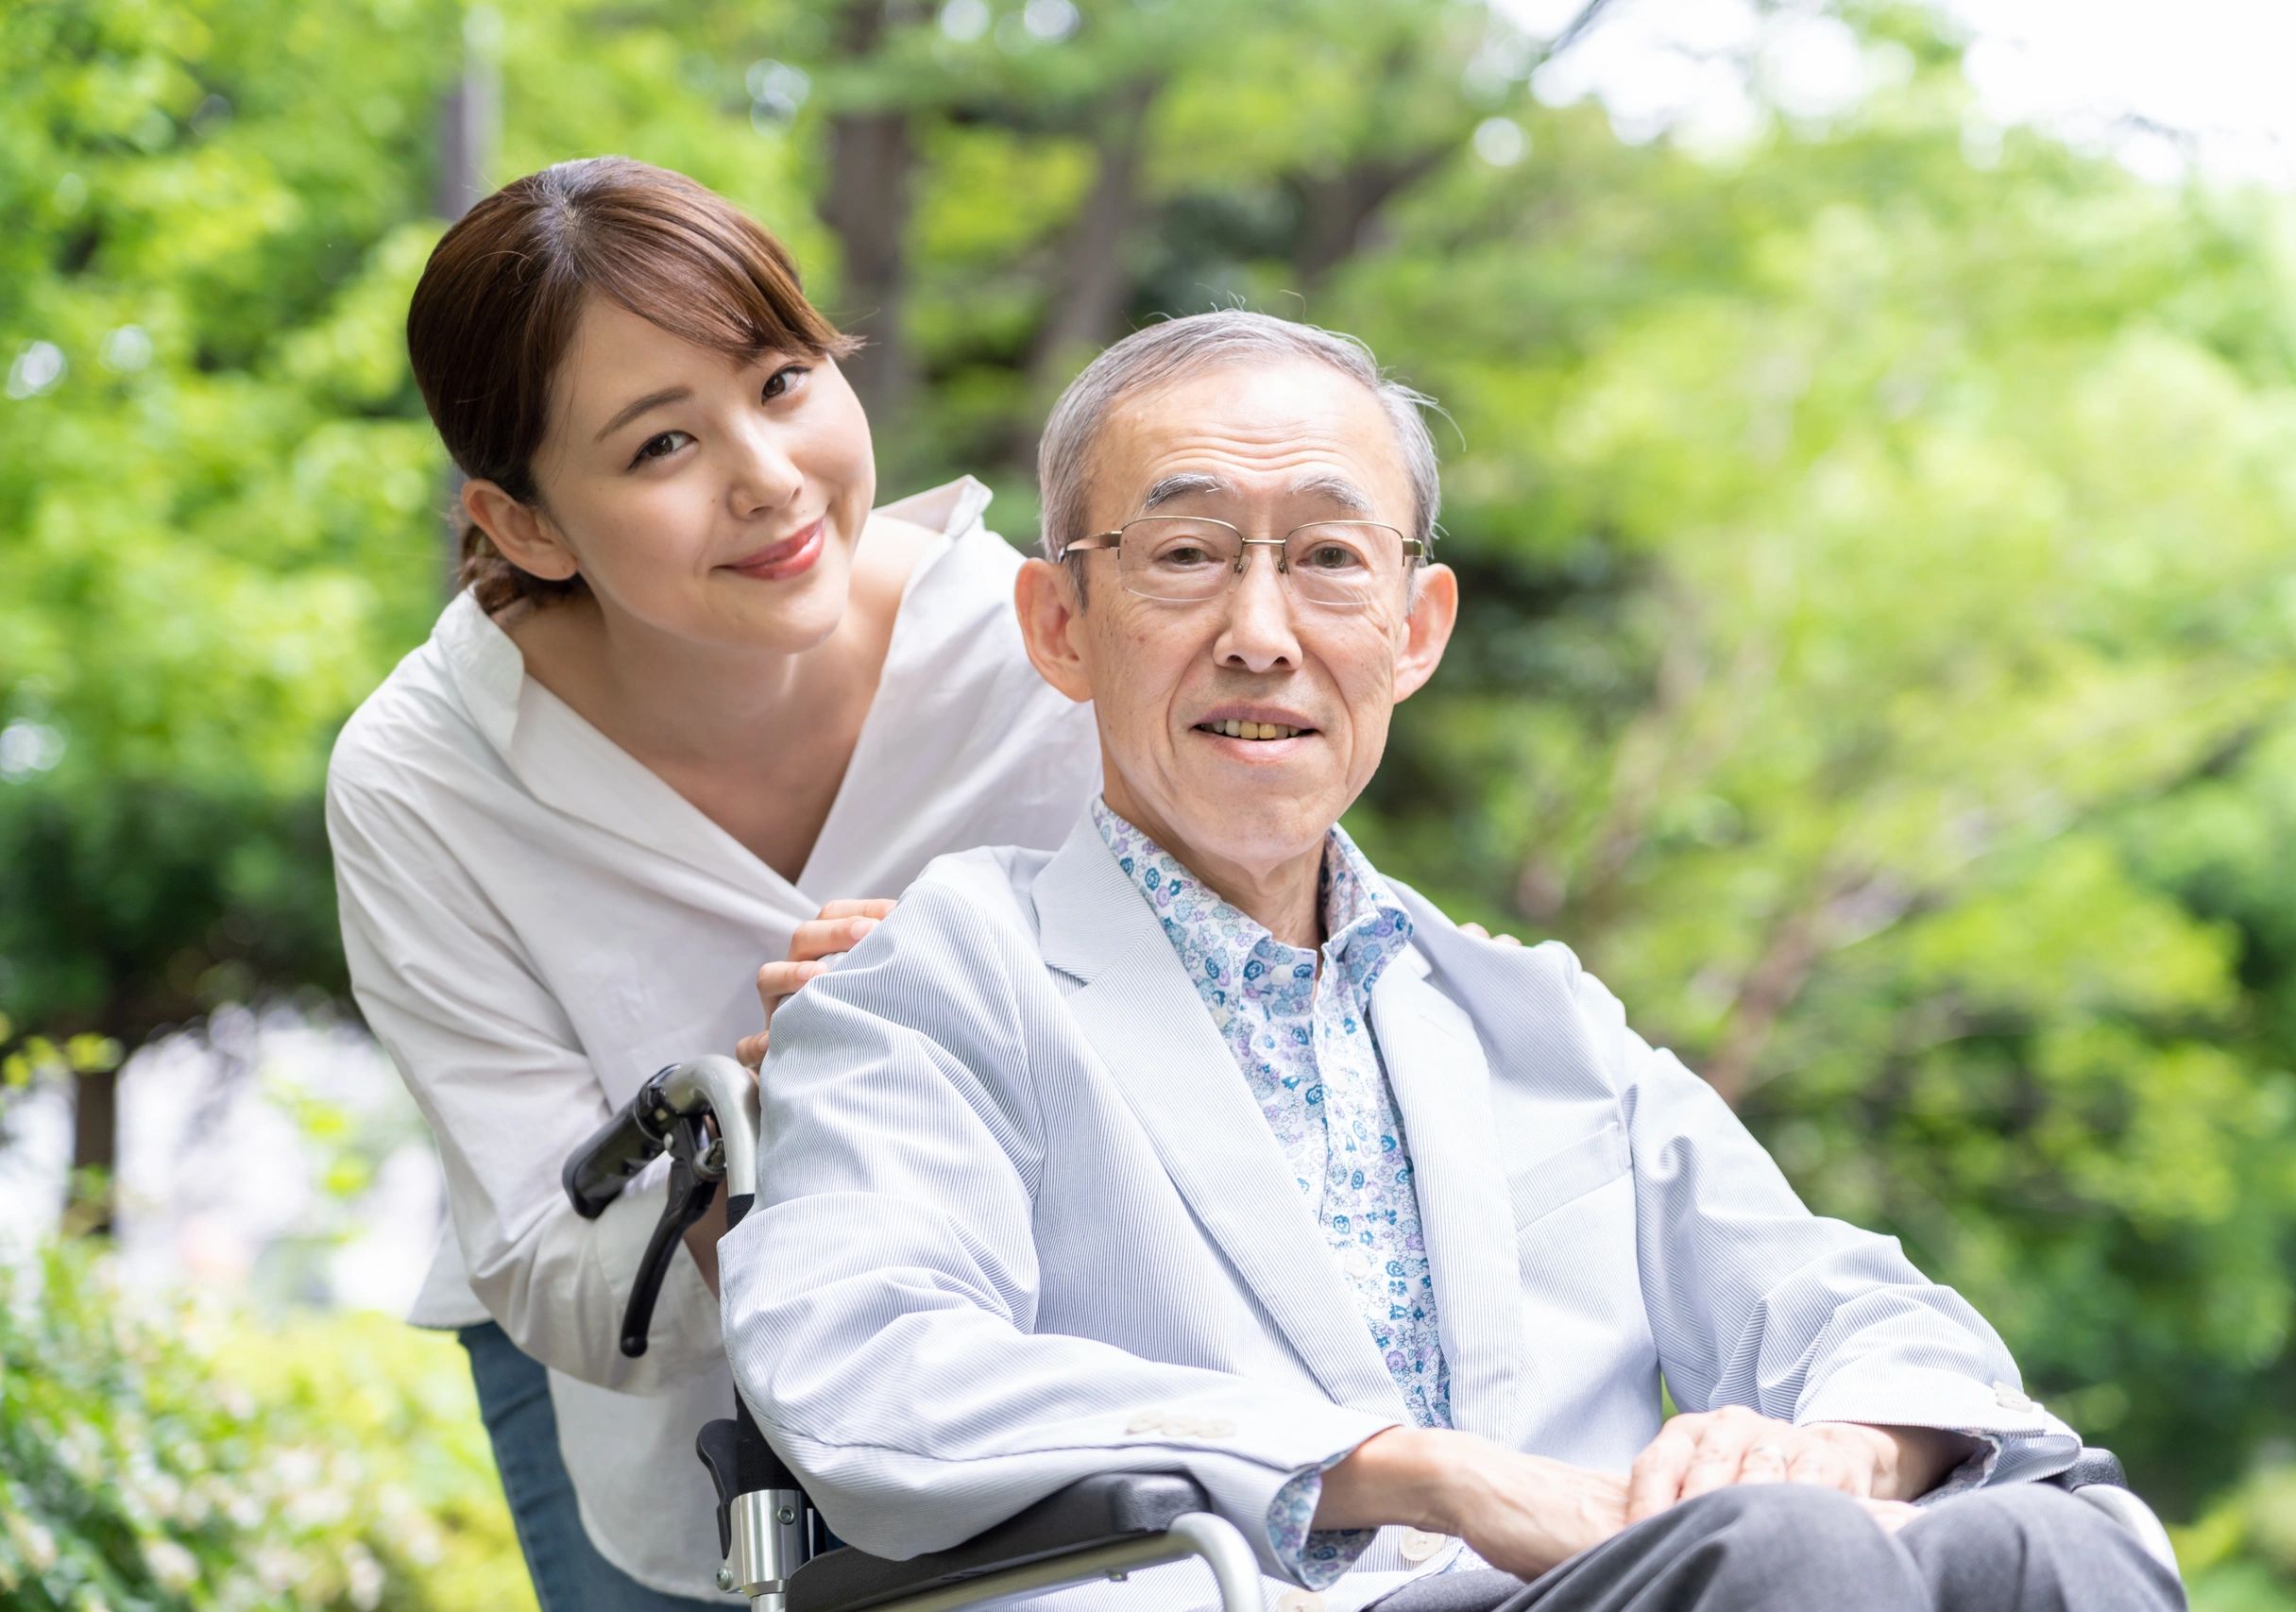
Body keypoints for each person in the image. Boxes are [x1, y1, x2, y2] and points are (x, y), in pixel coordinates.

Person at [719, 312, 2185, 1612]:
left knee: (2069, 1549)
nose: (1262, 633)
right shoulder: (933, 980)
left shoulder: (1528, 1009)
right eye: (1185, 555)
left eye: (1331, 562)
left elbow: (1865, 1309)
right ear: (1060, 625)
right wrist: (1413, 1473)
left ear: (1413, 633)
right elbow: (863, 1365)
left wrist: (1830, 1443)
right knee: (1787, 1566)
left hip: (1633, 1583)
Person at [326, 157, 1101, 1607]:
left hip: (1048, 1379)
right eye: (660, 447)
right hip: (649, 1421)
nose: (768, 475)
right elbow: (543, 1253)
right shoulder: (425, 781)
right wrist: (751, 1152)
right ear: (525, 526)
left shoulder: (1042, 660)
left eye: (786, 379)